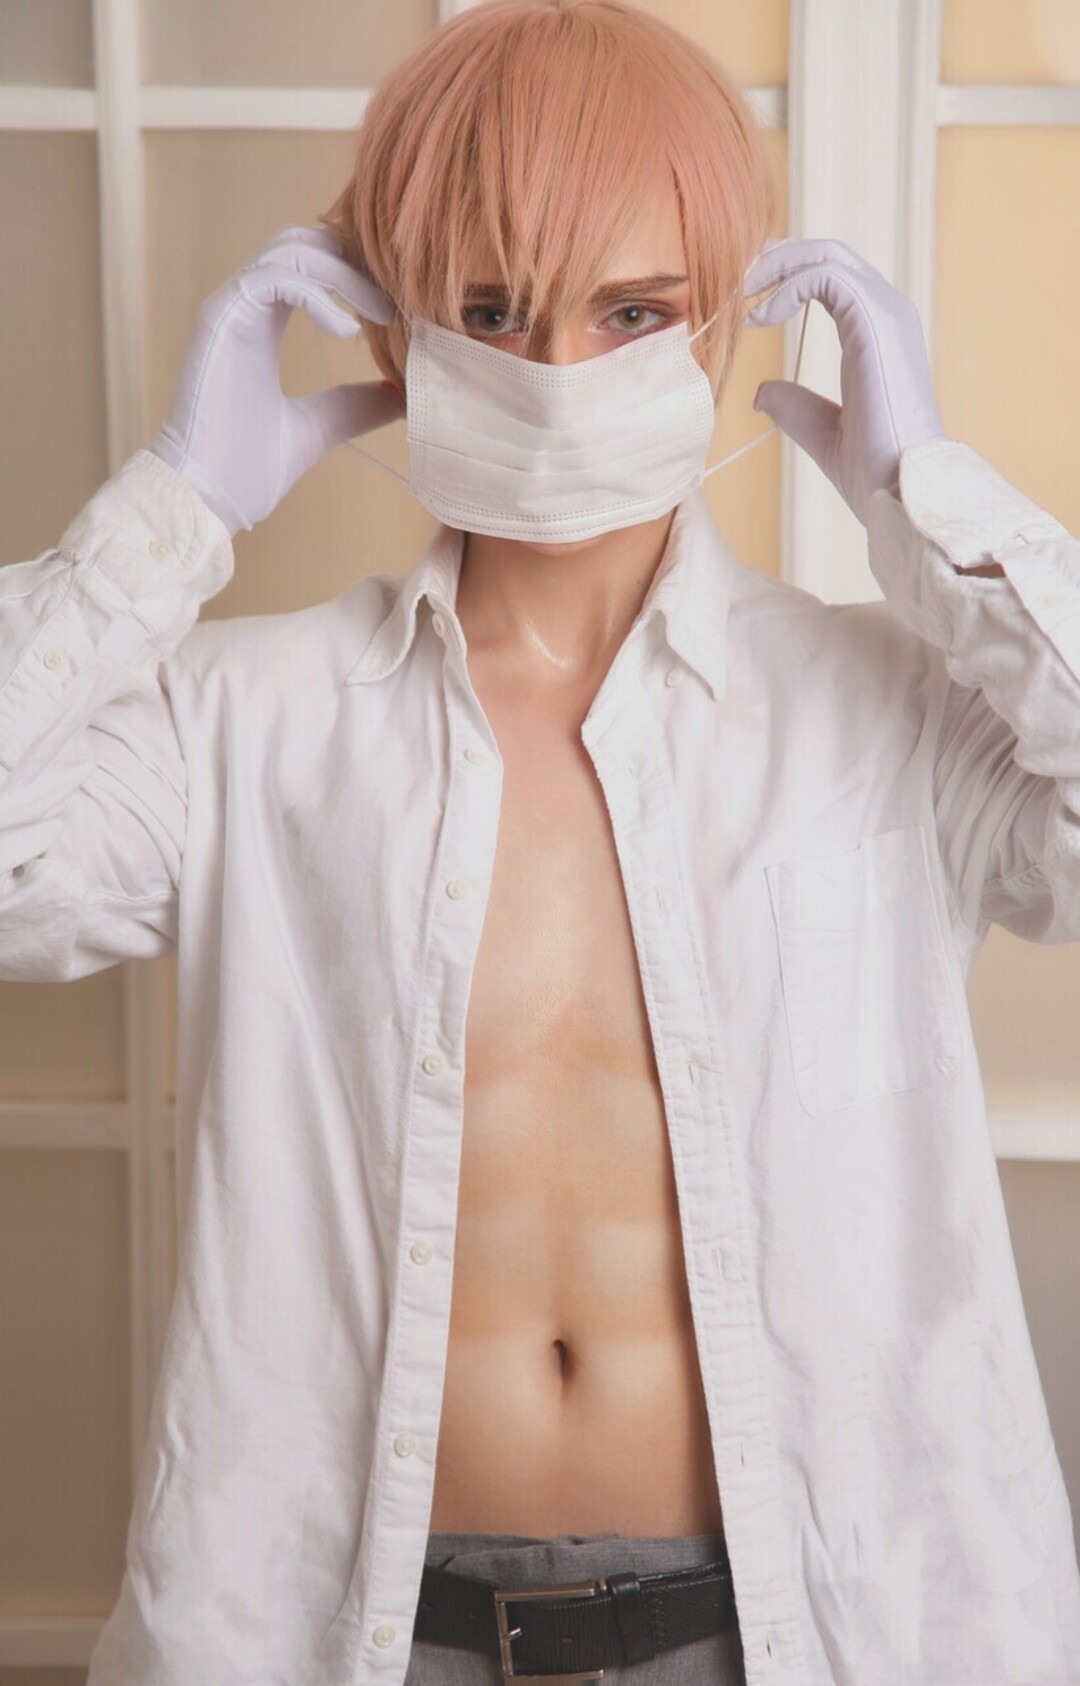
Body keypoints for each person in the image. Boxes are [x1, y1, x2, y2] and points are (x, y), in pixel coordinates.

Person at [2, 1, 1079, 1682]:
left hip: (804, 1634)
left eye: (630, 309)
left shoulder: (895, 715)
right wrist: (174, 509)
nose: (561, 372)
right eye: (493, 311)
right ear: (397, 335)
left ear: (716, 323)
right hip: (359, 1637)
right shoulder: (247, 718)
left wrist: (933, 506)